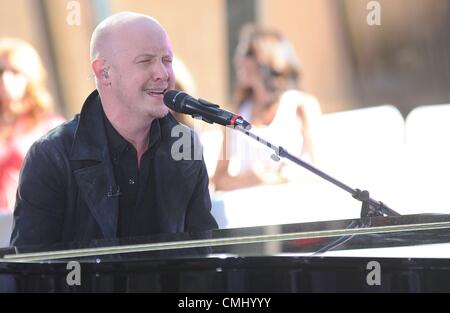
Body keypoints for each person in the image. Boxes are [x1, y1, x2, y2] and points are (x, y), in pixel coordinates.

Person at [10, 12, 218, 248]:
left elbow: (203, 252)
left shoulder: (184, 144)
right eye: (146, 61)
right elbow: (29, 272)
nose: (162, 73)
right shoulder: (51, 156)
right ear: (103, 72)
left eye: (167, 60)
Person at [212, 24, 322, 191]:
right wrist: (252, 180)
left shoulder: (301, 105)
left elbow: (318, 169)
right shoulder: (235, 113)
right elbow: (219, 179)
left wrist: (273, 179)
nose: (238, 60)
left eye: (248, 53)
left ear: (269, 55)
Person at [0, 38, 64, 212]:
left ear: (30, 77)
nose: (5, 79)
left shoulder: (51, 127)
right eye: (0, 71)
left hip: (33, 222)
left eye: (14, 72)